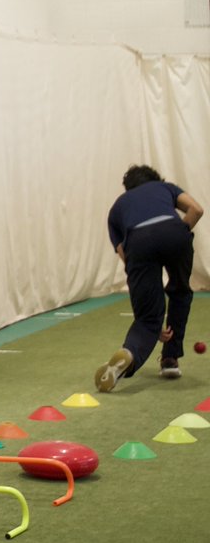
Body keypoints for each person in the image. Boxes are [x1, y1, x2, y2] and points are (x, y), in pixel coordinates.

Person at [96, 164, 203, 391]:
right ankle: (170, 359)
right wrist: (179, 235)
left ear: (128, 188)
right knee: (180, 292)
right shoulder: (165, 188)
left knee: (147, 318)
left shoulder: (118, 207)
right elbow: (196, 210)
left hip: (138, 242)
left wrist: (153, 325)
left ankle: (129, 353)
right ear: (155, 178)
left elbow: (125, 255)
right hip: (174, 233)